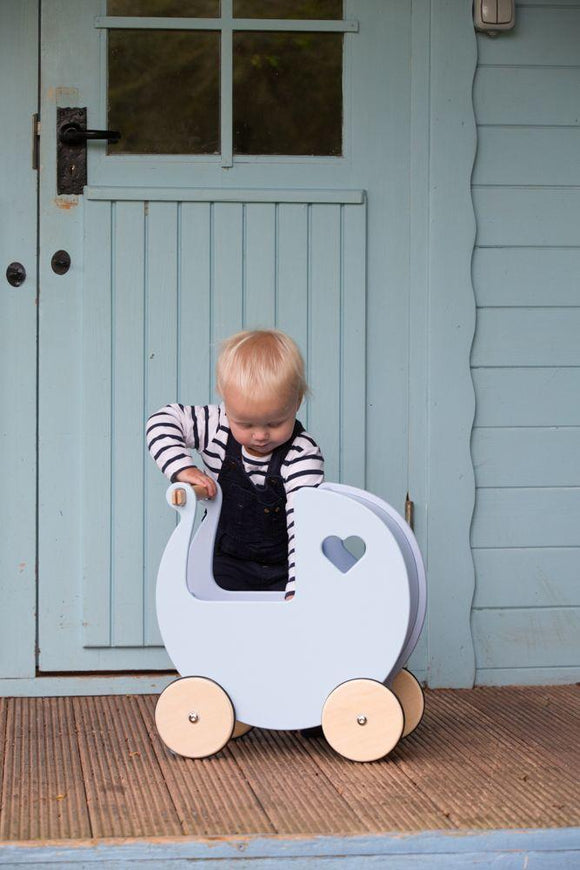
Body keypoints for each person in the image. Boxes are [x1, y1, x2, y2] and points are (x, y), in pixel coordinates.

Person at [146, 329, 324, 600]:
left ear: (296, 403)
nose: (260, 435)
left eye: (275, 423)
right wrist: (184, 470)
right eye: (245, 423)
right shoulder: (215, 425)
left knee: (281, 634)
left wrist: (297, 589)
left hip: (284, 568)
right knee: (212, 616)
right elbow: (161, 421)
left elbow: (306, 526)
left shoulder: (301, 454)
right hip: (223, 560)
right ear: (226, 404)